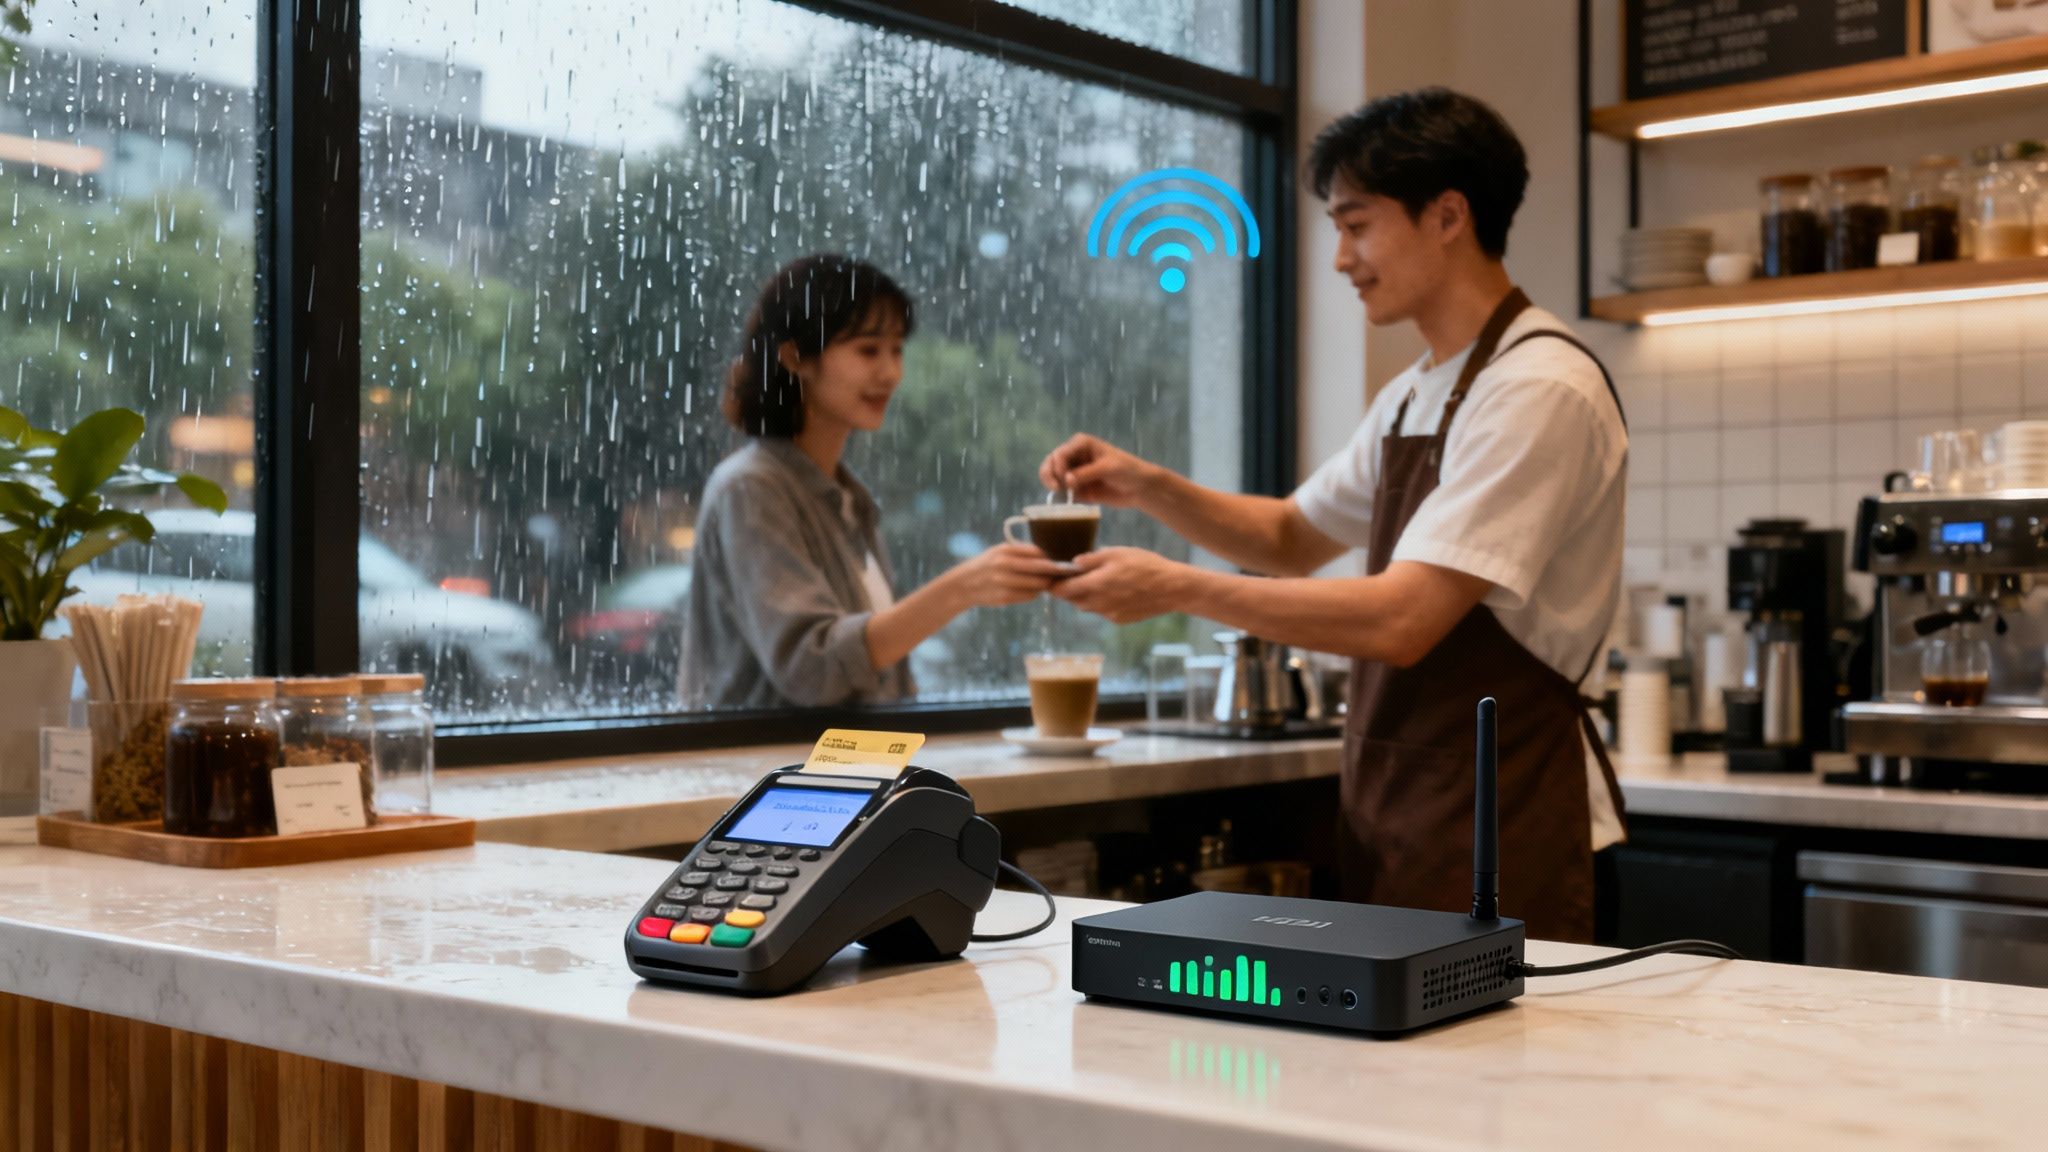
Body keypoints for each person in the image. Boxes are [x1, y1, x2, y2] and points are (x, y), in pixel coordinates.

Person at [1039, 89, 1628, 943]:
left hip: (1515, 824)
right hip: (1408, 821)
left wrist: (1177, 588)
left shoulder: (1536, 388)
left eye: (1356, 225)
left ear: (1448, 215)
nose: (1341, 258)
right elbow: (1289, 537)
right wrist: (1145, 485)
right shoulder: (1416, 391)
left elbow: (1403, 618)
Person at [680, 254, 1066, 710]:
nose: (890, 372)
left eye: (897, 349)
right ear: (794, 357)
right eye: (868, 349)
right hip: (776, 778)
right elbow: (812, 668)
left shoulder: (847, 499)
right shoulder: (750, 489)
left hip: (845, 774)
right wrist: (963, 587)